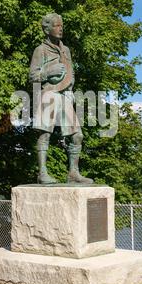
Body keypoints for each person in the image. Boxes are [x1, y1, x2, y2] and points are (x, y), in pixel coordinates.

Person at [29, 13, 93, 185]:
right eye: (57, 25)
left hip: (64, 94)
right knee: (45, 133)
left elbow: (70, 71)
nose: (60, 28)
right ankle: (42, 173)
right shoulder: (40, 50)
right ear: (46, 29)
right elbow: (33, 76)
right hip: (48, 93)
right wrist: (48, 72)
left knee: (77, 135)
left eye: (61, 25)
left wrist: (70, 88)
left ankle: (73, 173)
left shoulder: (66, 50)